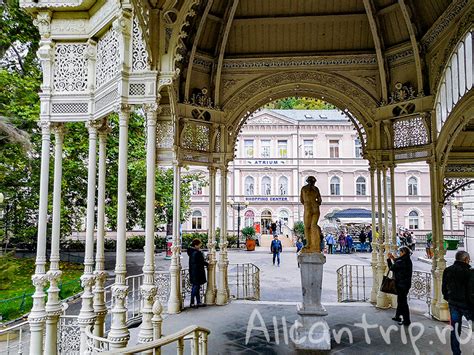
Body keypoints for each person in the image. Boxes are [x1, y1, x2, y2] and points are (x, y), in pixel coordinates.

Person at [442, 251, 473, 355]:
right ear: (465, 259)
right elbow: (471, 291)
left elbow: (444, 289)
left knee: (455, 330)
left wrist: (449, 299)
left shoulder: (447, 270)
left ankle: (456, 352)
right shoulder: (470, 272)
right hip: (467, 305)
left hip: (453, 304)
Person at [387, 246, 413, 326]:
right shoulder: (407, 260)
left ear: (403, 252)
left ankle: (406, 320)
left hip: (401, 284)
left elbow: (392, 267)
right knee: (400, 301)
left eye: (400, 252)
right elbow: (397, 262)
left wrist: (388, 259)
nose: (399, 253)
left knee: (403, 302)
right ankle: (397, 316)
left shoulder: (402, 261)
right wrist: (392, 258)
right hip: (405, 284)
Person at [300, 176, 322, 252]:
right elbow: (319, 201)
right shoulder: (316, 189)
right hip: (315, 208)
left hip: (308, 208)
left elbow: (301, 200)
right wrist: (315, 202)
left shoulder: (303, 189)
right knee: (314, 226)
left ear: (307, 181)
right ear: (314, 182)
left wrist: (307, 203)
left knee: (307, 227)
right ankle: (315, 245)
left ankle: (309, 244)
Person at [187, 239, 208, 308]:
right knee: (196, 287)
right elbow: (201, 262)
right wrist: (207, 264)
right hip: (197, 272)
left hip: (193, 272)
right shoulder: (197, 252)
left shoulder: (192, 252)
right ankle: (192, 302)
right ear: (196, 245)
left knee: (196, 287)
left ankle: (198, 302)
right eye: (199, 244)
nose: (200, 245)